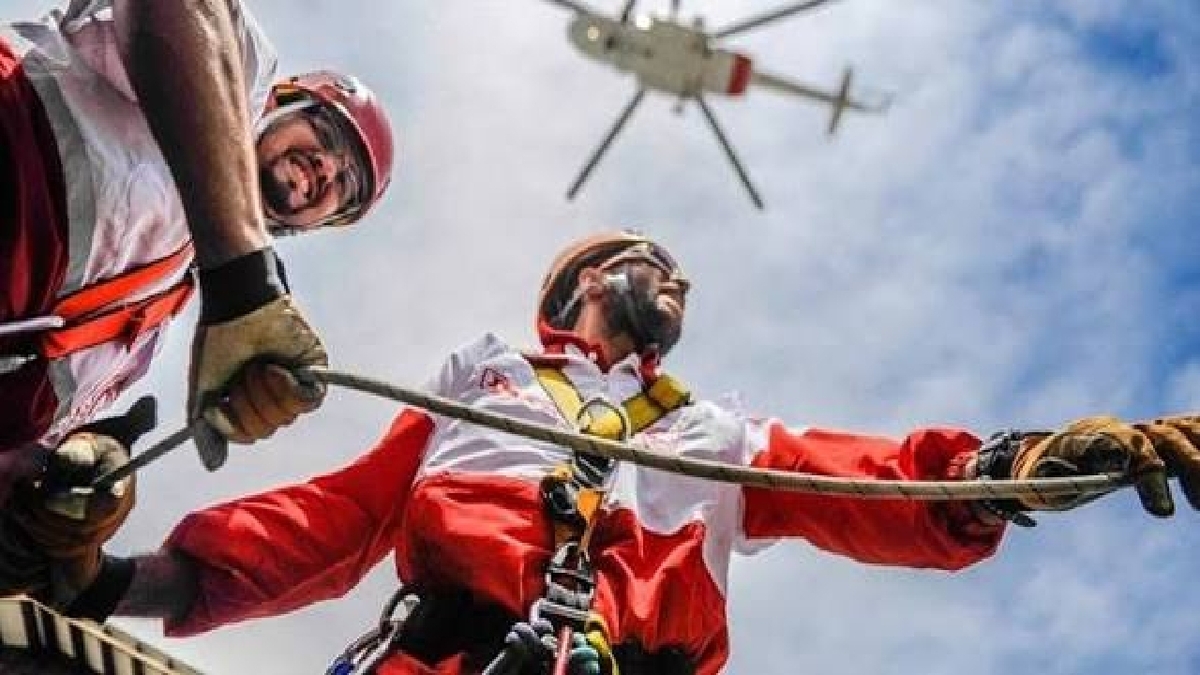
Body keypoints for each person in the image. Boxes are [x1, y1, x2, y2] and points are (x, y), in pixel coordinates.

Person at [5, 231, 1199, 675]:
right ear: (580, 287)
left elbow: (872, 484)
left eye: (678, 279)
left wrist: (1022, 466)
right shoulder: (482, 392)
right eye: (648, 265)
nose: (674, 284)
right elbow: (323, 525)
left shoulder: (717, 437)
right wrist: (113, 583)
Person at [0, 0, 396, 502]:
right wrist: (245, 274)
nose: (326, 169)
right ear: (279, 103)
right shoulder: (238, 71)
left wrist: (52, 494)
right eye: (327, 134)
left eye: (347, 184)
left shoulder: (145, 338)